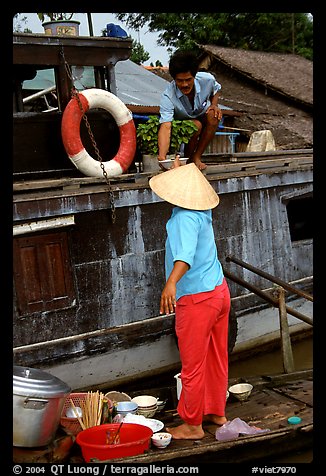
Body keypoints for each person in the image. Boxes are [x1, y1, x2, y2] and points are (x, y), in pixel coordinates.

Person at [149, 163, 230, 440]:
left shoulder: (182, 218)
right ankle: (216, 412)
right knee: (216, 357)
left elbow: (184, 258)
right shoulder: (202, 210)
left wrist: (170, 283)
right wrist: (177, 169)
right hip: (219, 291)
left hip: (197, 299)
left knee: (192, 366)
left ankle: (193, 425)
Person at [158, 50, 223, 171]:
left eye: (188, 79)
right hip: (184, 123)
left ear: (194, 75)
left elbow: (217, 88)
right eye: (180, 81)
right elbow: (166, 126)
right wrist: (162, 157)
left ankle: (196, 157)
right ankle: (188, 160)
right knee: (195, 126)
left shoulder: (207, 79)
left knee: (214, 115)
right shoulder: (168, 95)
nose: (185, 84)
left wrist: (214, 105)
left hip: (202, 114)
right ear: (173, 79)